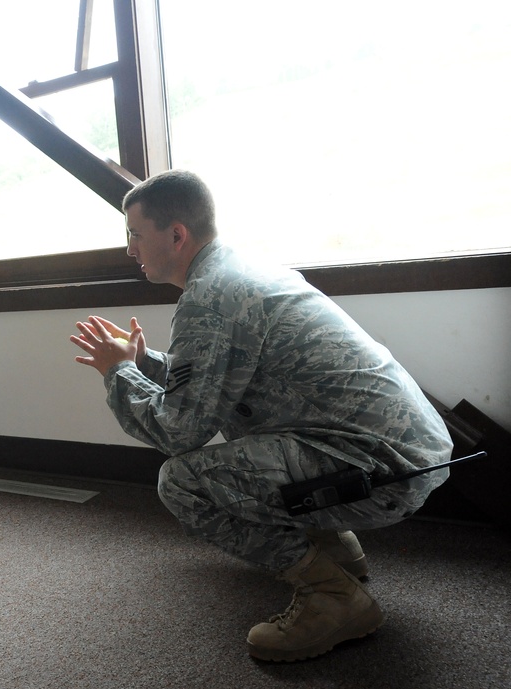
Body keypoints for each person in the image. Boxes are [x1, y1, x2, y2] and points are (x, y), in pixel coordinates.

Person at [70, 170, 453, 662]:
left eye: (134, 235)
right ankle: (337, 555)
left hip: (380, 470)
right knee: (261, 438)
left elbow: (179, 431)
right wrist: (141, 362)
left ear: (176, 234)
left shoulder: (211, 298)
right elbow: (215, 381)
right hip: (404, 454)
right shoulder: (235, 272)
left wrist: (118, 374)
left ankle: (335, 598)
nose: (130, 249)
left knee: (181, 483)